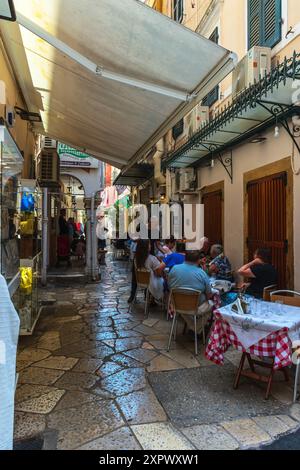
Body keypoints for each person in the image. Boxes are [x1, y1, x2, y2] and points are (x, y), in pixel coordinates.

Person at [168, 251, 213, 331]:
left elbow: (170, 286)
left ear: (185, 257)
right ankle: (196, 328)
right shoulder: (202, 273)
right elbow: (209, 295)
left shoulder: (174, 269)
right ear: (198, 260)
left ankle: (193, 326)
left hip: (177, 305)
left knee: (185, 306)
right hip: (195, 307)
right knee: (212, 304)